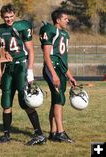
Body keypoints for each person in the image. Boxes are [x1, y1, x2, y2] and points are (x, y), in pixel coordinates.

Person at [0, 3, 46, 145]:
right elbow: (0, 53)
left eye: (11, 16)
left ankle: (39, 134)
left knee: (25, 102)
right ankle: (6, 135)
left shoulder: (22, 26)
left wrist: (29, 71)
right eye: (6, 17)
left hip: (21, 67)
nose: (9, 19)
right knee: (6, 102)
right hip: (8, 68)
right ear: (2, 17)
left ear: (15, 15)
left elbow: (30, 51)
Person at [39, 9, 77, 143]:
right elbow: (46, 55)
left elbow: (62, 59)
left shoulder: (65, 34)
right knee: (59, 99)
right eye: (65, 18)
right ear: (58, 20)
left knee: (56, 100)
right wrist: (53, 74)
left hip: (60, 69)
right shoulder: (50, 30)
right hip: (52, 69)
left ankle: (53, 132)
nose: (68, 21)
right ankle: (61, 132)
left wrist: (69, 75)